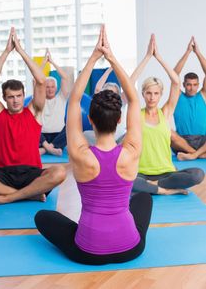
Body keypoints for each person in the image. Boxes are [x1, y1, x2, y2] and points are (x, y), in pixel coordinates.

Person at [35, 25, 153, 265]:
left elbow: (75, 98)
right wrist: (111, 57)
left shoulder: (80, 154)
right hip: (130, 248)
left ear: (90, 119)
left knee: (42, 216)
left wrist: (93, 58)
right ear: (120, 119)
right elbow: (133, 98)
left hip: (88, 251)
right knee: (143, 200)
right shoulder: (131, 151)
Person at [0, 27, 66, 207]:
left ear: (24, 96)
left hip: (32, 174)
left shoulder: (33, 112)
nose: (15, 101)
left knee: (59, 172)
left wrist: (21, 50)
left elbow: (41, 81)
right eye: (10, 97)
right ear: (5, 98)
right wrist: (7, 51)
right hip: (3, 175)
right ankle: (26, 195)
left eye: (18, 96)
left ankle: (8, 197)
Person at [131, 34, 204, 195]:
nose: (152, 97)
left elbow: (176, 81)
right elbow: (130, 83)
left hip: (166, 171)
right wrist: (147, 57)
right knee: (126, 179)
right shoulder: (136, 114)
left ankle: (155, 185)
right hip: (142, 172)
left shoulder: (165, 112)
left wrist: (158, 57)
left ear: (160, 94)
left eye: (156, 93)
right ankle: (165, 190)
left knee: (198, 174)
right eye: (148, 93)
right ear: (143, 94)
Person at [171, 37, 206, 160]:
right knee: (168, 133)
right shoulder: (178, 96)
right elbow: (174, 74)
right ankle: (197, 154)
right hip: (183, 141)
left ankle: (194, 155)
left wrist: (197, 52)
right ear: (184, 85)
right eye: (189, 85)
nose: (192, 88)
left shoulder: (203, 95)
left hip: (203, 140)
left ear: (199, 85)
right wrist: (187, 52)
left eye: (195, 85)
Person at [84, 67, 127, 144]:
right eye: (108, 92)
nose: (110, 95)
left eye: (113, 93)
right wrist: (110, 69)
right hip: (103, 137)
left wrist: (115, 65)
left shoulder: (120, 103)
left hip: (119, 139)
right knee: (85, 134)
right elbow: (97, 89)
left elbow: (129, 83)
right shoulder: (101, 103)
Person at [39, 48, 69, 156]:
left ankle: (45, 149)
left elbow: (65, 77)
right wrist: (43, 63)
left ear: (56, 88)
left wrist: (52, 62)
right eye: (47, 87)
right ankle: (52, 148)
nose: (50, 89)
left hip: (58, 135)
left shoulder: (61, 97)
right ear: (43, 88)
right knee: (32, 126)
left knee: (70, 128)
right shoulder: (39, 99)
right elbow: (35, 78)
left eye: (52, 87)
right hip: (42, 137)